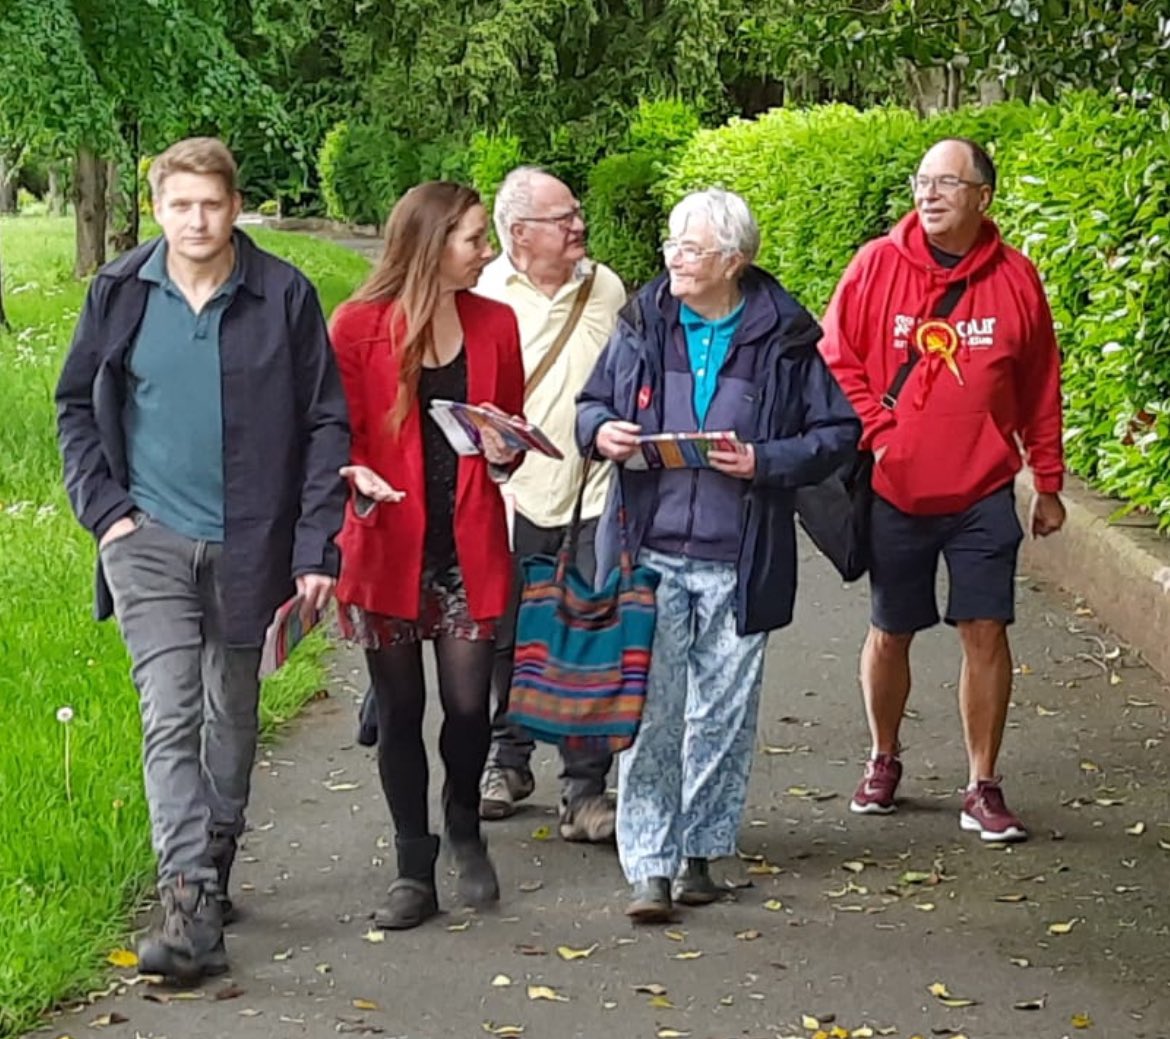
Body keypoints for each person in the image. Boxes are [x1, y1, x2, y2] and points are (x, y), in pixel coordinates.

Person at [55, 137, 349, 979]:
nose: (197, 219)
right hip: (144, 542)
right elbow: (76, 404)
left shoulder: (283, 295)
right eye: (180, 205)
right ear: (157, 209)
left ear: (235, 205)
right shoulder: (118, 292)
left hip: (250, 543)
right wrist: (105, 512)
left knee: (234, 708)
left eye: (211, 204)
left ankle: (217, 851)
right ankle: (186, 902)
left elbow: (327, 422)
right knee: (169, 711)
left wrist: (314, 544)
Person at [576, 188, 859, 921]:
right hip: (651, 548)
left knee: (723, 716)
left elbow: (837, 432)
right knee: (650, 713)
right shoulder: (643, 322)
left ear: (733, 259)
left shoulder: (785, 337)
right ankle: (650, 865)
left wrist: (763, 459)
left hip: (742, 554)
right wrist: (602, 430)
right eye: (671, 243)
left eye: (691, 248)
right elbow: (591, 404)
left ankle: (703, 850)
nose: (673, 257)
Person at [819, 138, 1066, 842]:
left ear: (983, 197)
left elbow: (1041, 384)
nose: (928, 195)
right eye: (922, 182)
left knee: (985, 628)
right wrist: (879, 430)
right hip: (897, 487)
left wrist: (1046, 480)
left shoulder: (1016, 278)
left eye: (947, 183)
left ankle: (982, 783)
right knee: (892, 629)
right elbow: (836, 356)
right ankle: (883, 755)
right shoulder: (876, 266)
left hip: (983, 488)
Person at [329, 181, 525, 930]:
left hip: (468, 540)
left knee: (471, 704)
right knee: (403, 707)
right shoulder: (357, 325)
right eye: (476, 239)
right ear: (431, 241)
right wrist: (353, 472)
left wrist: (506, 450)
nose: (487, 253)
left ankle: (464, 819)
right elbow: (331, 431)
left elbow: (505, 432)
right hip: (388, 543)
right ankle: (415, 863)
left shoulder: (495, 324)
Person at [473, 166, 628, 841]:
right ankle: (506, 761)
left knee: (585, 634)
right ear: (519, 233)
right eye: (562, 218)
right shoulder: (481, 293)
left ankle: (585, 790)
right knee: (507, 636)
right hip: (508, 496)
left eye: (577, 214)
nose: (579, 226)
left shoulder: (606, 288)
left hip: (594, 494)